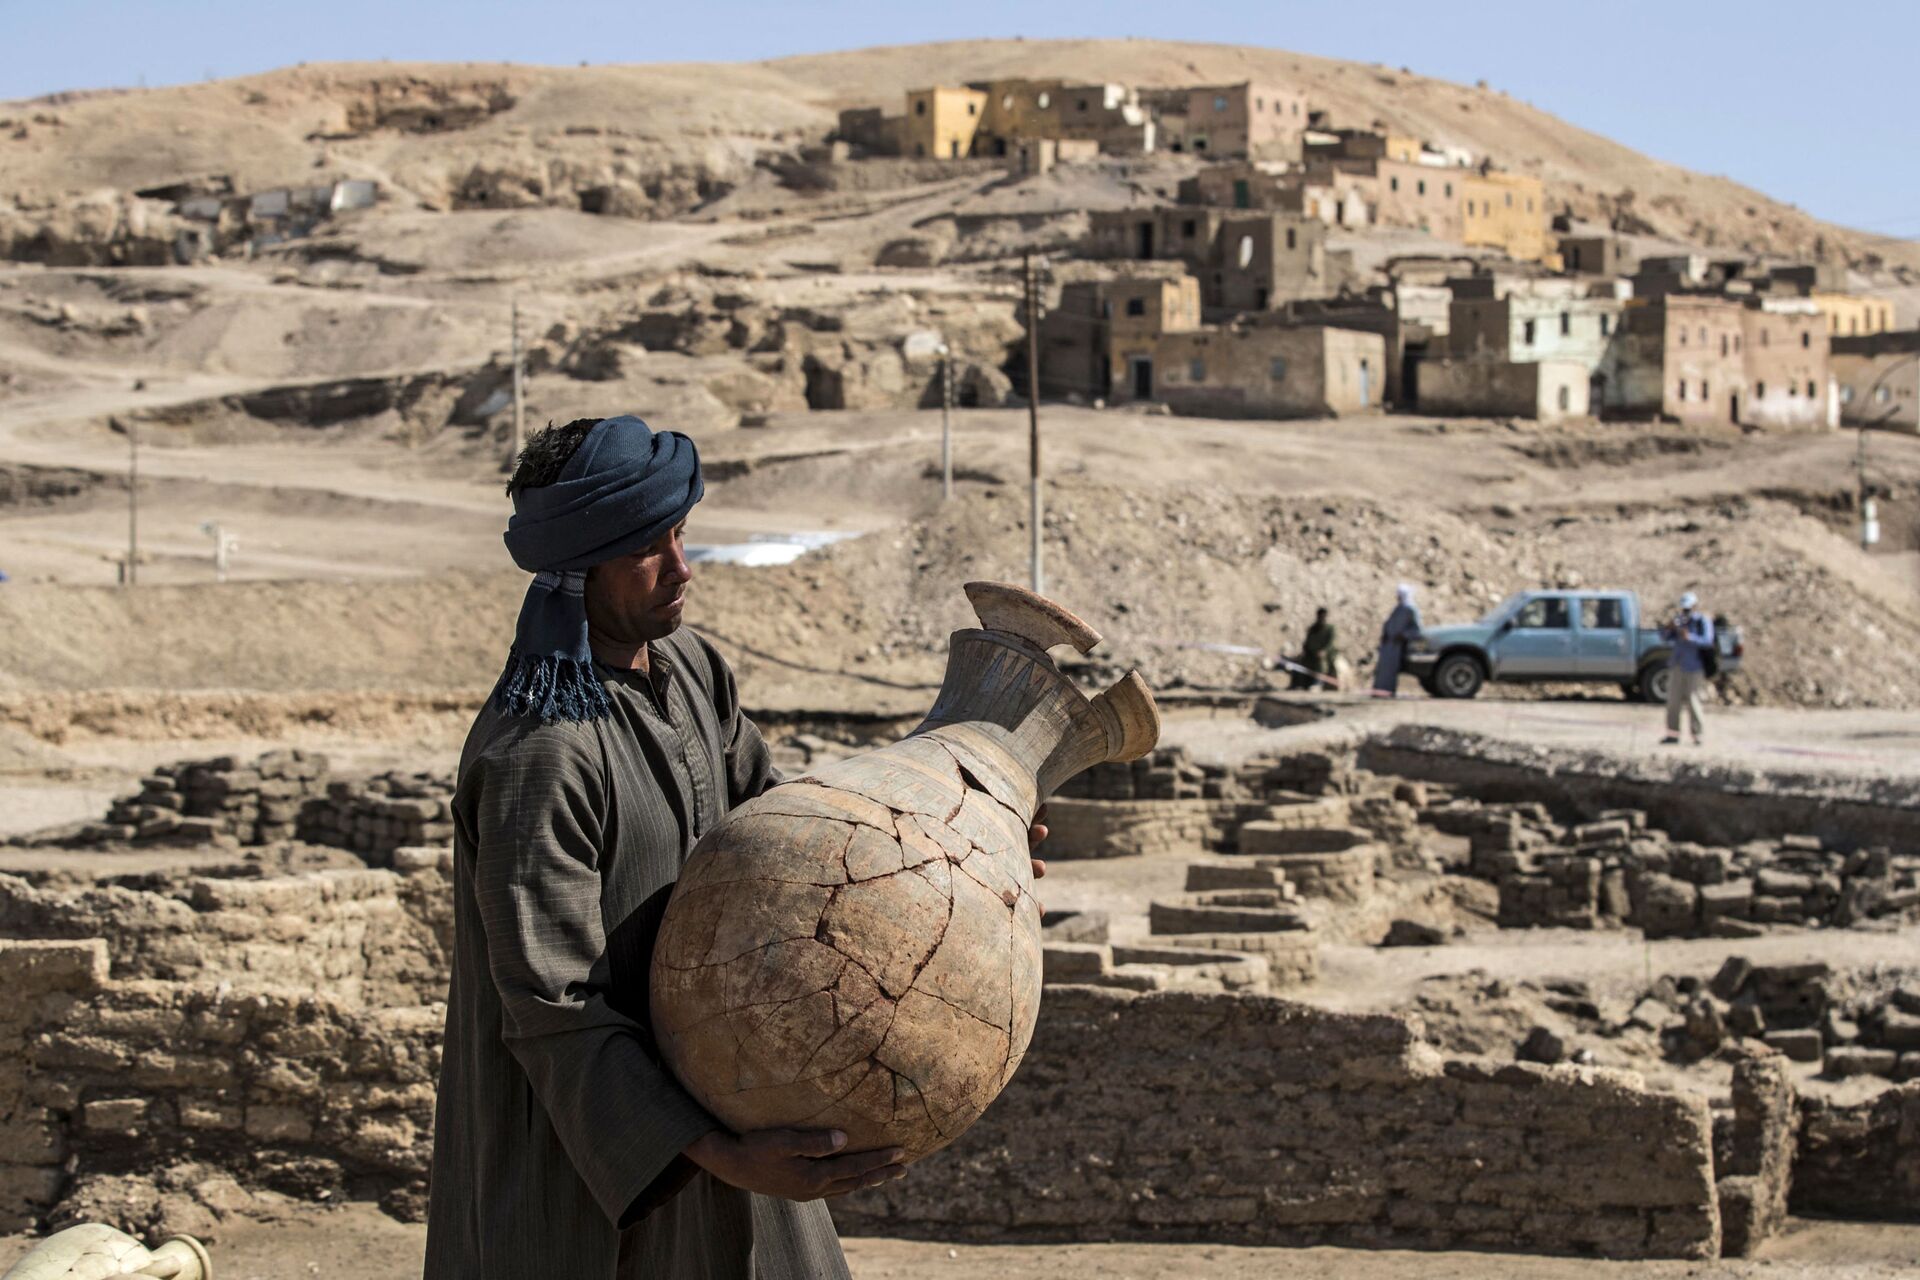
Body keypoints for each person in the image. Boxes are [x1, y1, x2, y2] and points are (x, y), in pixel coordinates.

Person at [425, 415, 1047, 1279]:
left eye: (680, 533)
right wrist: (711, 1150)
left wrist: (960, 847)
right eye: (647, 548)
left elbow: (791, 834)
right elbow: (552, 1001)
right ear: (577, 566)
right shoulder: (540, 752)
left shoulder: (689, 672)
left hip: (730, 1080)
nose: (682, 566)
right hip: (598, 1143)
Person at [1660, 590, 1715, 746]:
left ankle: (1697, 735)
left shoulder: (1701, 621)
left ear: (1695, 607)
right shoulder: (1679, 621)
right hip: (1677, 665)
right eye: (1684, 609)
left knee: (1693, 701)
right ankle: (1672, 734)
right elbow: (1664, 638)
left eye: (1688, 609)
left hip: (1694, 667)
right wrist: (1669, 628)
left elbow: (1707, 641)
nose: (1686, 612)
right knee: (1673, 701)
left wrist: (1689, 637)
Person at [1371, 584, 1424, 698]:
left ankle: (1388, 691)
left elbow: (1417, 629)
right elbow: (1389, 623)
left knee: (1391, 670)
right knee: (1383, 669)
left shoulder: (1411, 609)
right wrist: (1385, 633)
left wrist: (1403, 635)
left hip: (1397, 645)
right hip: (1388, 644)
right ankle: (1380, 691)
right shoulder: (1398, 608)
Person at [1289, 607, 1340, 690]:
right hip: (1312, 653)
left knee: (1321, 663)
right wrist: (1305, 651)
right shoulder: (1313, 629)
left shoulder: (1330, 629)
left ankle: (1318, 683)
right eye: (1320, 616)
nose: (1322, 618)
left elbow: (1330, 643)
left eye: (1323, 616)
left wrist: (1324, 651)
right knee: (1300, 662)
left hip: (1326, 655)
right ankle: (1300, 683)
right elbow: (1307, 642)